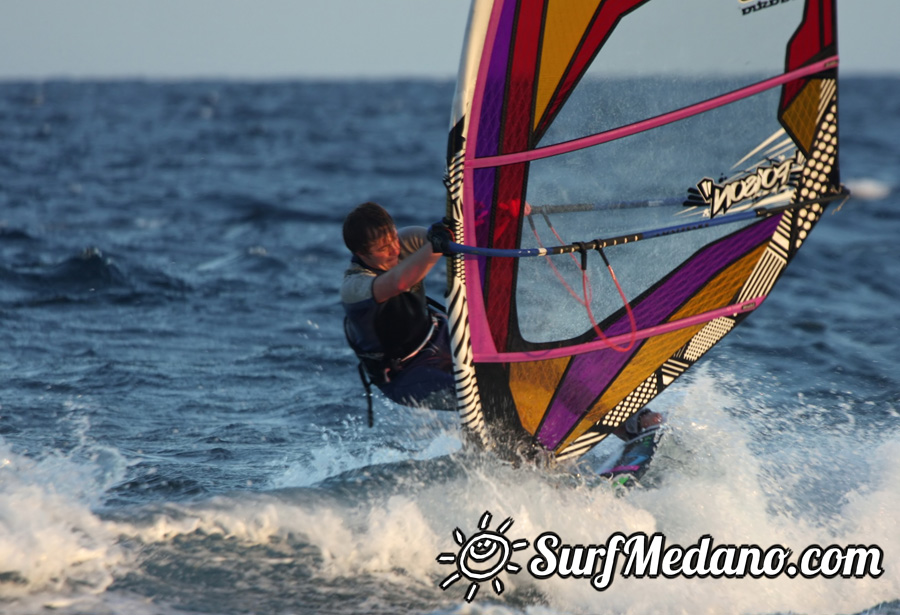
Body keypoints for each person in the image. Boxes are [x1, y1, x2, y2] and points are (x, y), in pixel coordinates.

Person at [341, 202, 456, 410]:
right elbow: (398, 283)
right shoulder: (354, 287)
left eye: (394, 237)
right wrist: (436, 245)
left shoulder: (404, 242)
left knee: (502, 356)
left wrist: (504, 213)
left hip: (440, 336)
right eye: (383, 249)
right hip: (407, 374)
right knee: (474, 396)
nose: (395, 249)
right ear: (361, 254)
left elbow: (458, 238)